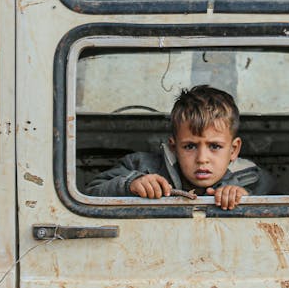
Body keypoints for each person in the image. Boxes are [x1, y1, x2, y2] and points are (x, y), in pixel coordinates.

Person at [86, 85, 274, 209]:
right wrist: (131, 185)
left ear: (233, 150)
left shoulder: (250, 177)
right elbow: (91, 192)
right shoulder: (142, 166)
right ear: (174, 147)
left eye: (215, 146)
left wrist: (246, 198)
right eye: (190, 146)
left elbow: (281, 207)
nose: (202, 158)